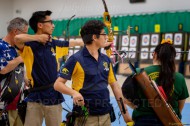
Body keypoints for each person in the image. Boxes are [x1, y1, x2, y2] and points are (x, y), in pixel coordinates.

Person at [14, 10, 112, 126]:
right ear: (40, 25)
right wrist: (38, 38)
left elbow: (75, 42)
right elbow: (17, 38)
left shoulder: (53, 43)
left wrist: (99, 43)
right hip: (35, 96)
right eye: (50, 22)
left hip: (53, 95)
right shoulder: (28, 46)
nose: (53, 25)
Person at [54, 20, 133, 126]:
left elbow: (115, 87)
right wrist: (74, 93)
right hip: (84, 118)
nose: (106, 37)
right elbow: (58, 84)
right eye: (104, 34)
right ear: (94, 37)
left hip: (106, 116)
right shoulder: (75, 59)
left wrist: (127, 117)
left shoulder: (106, 59)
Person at [124, 39, 189, 125]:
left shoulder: (139, 73)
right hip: (170, 122)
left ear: (154, 54)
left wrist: (137, 108)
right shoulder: (179, 78)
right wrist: (169, 114)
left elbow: (125, 98)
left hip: (143, 121)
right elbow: (180, 106)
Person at [0, 17, 28, 126]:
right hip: (4, 104)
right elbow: (3, 69)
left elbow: (19, 69)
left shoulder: (17, 48)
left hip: (19, 102)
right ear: (15, 31)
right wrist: (21, 58)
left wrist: (25, 79)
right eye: (24, 33)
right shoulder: (1, 46)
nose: (26, 37)